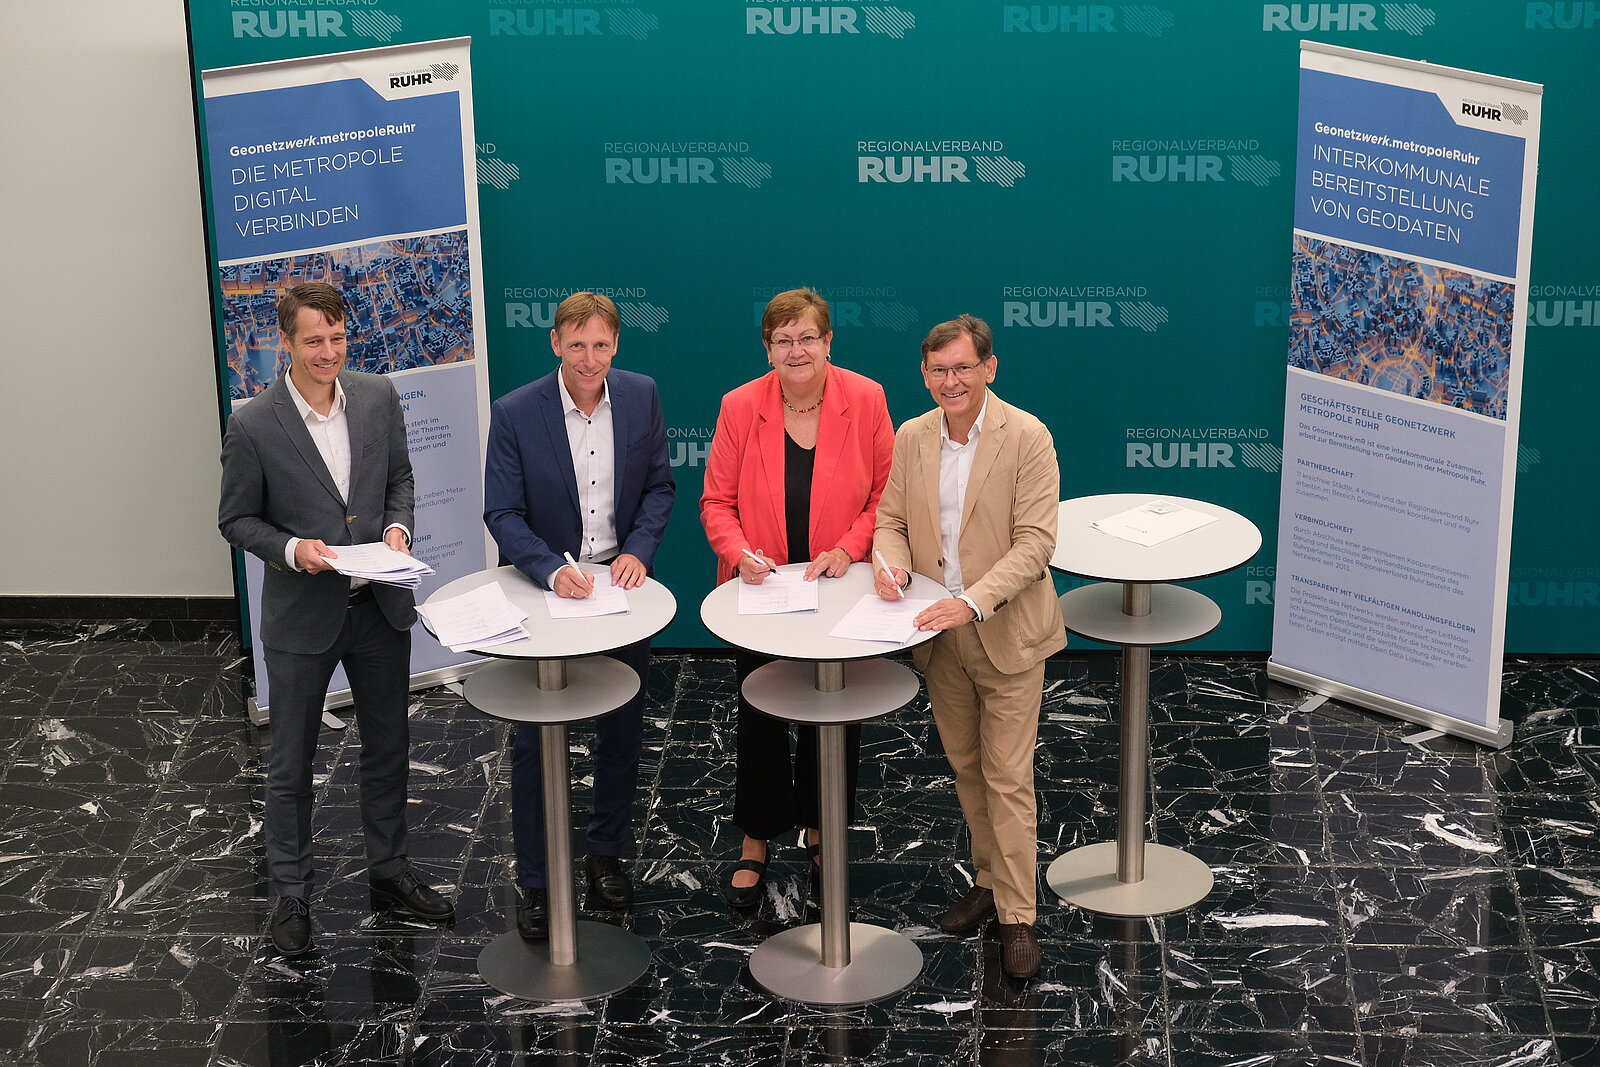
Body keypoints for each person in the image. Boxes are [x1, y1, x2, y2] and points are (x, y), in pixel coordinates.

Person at [219, 281, 454, 957]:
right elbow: (235, 519)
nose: (328, 351)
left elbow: (400, 479)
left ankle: (389, 870)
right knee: (291, 763)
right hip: (303, 616)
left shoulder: (378, 396)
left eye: (338, 337)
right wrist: (293, 550)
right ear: (284, 344)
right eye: (314, 340)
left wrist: (400, 527)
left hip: (378, 606)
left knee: (389, 748)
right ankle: (291, 893)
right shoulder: (254, 424)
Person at [872, 313, 1064, 979]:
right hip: (939, 640)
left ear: (989, 367)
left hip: (1005, 633)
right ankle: (988, 877)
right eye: (938, 370)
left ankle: (1018, 916)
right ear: (924, 375)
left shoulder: (1028, 436)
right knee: (968, 769)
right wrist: (888, 564)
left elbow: (1036, 543)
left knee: (1009, 777)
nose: (951, 380)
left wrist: (973, 600)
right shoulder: (913, 435)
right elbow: (891, 519)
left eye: (963, 367)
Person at [483, 291, 674, 941]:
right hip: (547, 593)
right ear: (555, 344)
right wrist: (548, 568)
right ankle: (536, 881)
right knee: (538, 740)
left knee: (621, 728)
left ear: (615, 345)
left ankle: (606, 853)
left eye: (601, 345)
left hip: (621, 594)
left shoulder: (642, 395)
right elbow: (502, 512)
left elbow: (658, 489)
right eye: (576, 344)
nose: (589, 358)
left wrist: (639, 552)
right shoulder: (514, 412)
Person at [700, 287, 895, 906]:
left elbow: (886, 497)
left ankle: (821, 823)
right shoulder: (740, 406)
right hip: (761, 594)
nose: (796, 349)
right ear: (768, 348)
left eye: (807, 337)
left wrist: (847, 546)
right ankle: (756, 836)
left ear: (828, 341)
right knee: (759, 708)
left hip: (839, 587)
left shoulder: (865, 398)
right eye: (783, 340)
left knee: (831, 704)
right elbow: (716, 502)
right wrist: (737, 555)